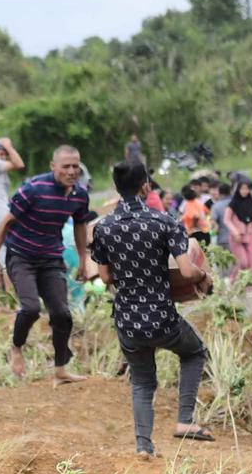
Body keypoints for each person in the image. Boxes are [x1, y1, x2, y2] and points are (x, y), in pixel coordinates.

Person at [91, 161, 214, 457]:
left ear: (117, 187)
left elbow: (105, 277)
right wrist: (203, 275)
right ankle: (185, 421)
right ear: (145, 186)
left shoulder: (103, 227)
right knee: (195, 353)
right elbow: (187, 271)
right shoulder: (164, 222)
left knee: (142, 382)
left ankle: (143, 445)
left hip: (127, 320)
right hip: (161, 316)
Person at [0, 145, 91, 384]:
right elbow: (5, 223)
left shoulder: (80, 195)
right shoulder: (34, 189)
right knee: (31, 308)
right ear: (53, 166)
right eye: (66, 166)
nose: (71, 171)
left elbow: (80, 225)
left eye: (75, 166)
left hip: (51, 258)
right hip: (21, 255)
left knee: (62, 313)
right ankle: (16, 347)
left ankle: (61, 369)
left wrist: (83, 260)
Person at [223, 175, 252, 278]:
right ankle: (233, 281)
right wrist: (235, 232)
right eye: (242, 189)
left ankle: (250, 284)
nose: (245, 191)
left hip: (249, 236)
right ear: (238, 190)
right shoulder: (232, 204)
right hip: (237, 238)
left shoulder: (251, 204)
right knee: (243, 262)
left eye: (247, 189)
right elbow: (226, 220)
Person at [210, 181, 233, 251]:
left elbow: (213, 224)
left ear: (219, 193)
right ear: (230, 191)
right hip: (238, 238)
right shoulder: (238, 203)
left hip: (223, 239)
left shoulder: (216, 206)